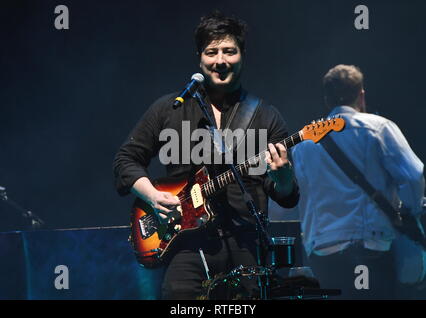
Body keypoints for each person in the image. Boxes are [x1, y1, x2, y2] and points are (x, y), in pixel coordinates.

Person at [113, 11, 299, 300]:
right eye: (211, 52)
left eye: (229, 51)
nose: (220, 60)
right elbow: (125, 160)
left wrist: (284, 176)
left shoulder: (265, 116)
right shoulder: (169, 108)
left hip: (246, 245)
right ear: (199, 58)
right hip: (185, 245)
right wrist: (152, 195)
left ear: (242, 55)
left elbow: (286, 195)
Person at [292, 64, 425, 299]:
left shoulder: (304, 143)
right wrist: (410, 211)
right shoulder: (378, 128)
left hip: (323, 254)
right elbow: (413, 175)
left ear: (326, 99)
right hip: (368, 247)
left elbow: (304, 197)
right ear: (361, 95)